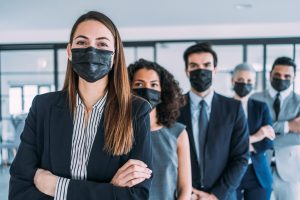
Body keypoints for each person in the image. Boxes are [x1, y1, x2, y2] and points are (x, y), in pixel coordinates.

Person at [9, 11, 153, 200]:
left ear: (115, 56)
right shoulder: (43, 107)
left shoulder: (136, 111)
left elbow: (136, 195)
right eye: (82, 43)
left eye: (102, 44)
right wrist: (110, 190)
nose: (91, 51)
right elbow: (20, 190)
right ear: (69, 51)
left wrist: (56, 187)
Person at [177, 42, 249, 200]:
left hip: (223, 195)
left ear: (215, 70)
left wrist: (216, 195)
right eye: (194, 66)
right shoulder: (173, 108)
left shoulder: (234, 108)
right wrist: (186, 192)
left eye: (207, 65)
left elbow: (241, 157)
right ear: (187, 71)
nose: (200, 70)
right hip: (185, 195)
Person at [128, 58, 192, 200]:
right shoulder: (118, 132)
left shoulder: (178, 133)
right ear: (128, 89)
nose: (147, 89)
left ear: (163, 91)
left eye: (154, 84)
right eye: (139, 84)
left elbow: (185, 189)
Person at [251, 57, 300, 200]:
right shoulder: (255, 98)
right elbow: (250, 130)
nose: (282, 79)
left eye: (287, 76)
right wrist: (288, 126)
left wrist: (262, 136)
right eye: (277, 75)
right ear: (270, 74)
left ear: (294, 77)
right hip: (258, 168)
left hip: (290, 174)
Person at [232, 63, 274, 200]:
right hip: (230, 172)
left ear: (254, 83)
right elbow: (223, 141)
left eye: (249, 81)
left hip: (257, 173)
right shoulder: (222, 108)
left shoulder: (261, 108)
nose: (245, 84)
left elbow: (268, 142)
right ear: (232, 81)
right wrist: (257, 136)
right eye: (240, 80)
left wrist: (239, 145)